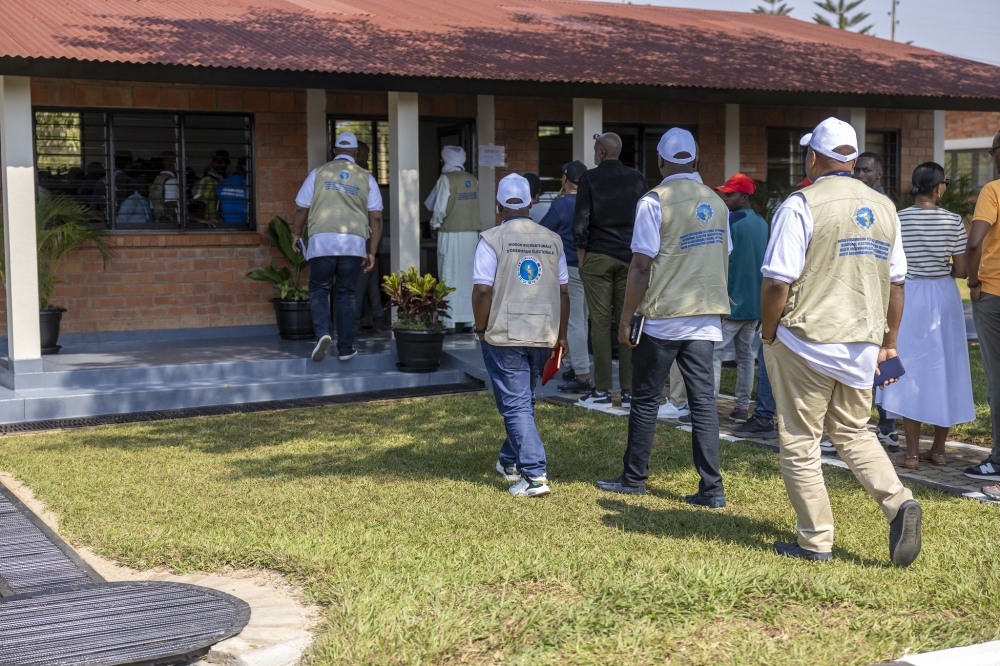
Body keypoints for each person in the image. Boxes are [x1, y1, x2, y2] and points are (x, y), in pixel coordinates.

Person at [760, 117, 921, 566]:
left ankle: (815, 541)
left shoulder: (801, 204)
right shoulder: (886, 208)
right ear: (851, 158)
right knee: (854, 432)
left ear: (813, 156)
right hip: (862, 345)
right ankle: (898, 502)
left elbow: (777, 282)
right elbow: (897, 284)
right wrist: (888, 343)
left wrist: (769, 332)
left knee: (799, 440)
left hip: (805, 342)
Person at [598, 128, 731, 507]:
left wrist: (626, 319)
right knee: (703, 403)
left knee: (644, 400)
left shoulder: (654, 201)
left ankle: (634, 478)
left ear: (659, 161)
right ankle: (712, 489)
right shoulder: (718, 203)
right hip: (705, 318)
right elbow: (724, 254)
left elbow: (640, 267)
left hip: (662, 319)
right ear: (696, 157)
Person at [472, 173, 570, 498]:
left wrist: (481, 328)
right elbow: (564, 292)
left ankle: (535, 475)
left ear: (498, 204)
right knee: (524, 402)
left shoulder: (491, 239)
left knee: (515, 406)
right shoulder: (553, 240)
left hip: (504, 333)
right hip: (543, 332)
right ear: (531, 202)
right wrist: (561, 335)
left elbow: (482, 291)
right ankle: (508, 460)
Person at [879, 163, 974, 469]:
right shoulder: (953, 221)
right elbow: (961, 270)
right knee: (945, 366)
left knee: (911, 369)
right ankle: (940, 450)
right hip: (943, 297)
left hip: (908, 294)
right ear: (938, 188)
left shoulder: (898, 218)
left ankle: (910, 454)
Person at [291, 131, 384, 363]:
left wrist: (296, 234)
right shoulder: (366, 177)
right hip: (352, 244)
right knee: (346, 294)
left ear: (334, 151)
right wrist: (371, 251)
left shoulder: (318, 173)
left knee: (319, 289)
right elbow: (377, 218)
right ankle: (345, 348)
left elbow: (301, 208)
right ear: (355, 153)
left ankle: (323, 333)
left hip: (322, 242)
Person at [574, 132, 649, 409]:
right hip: (630, 258)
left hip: (598, 255)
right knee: (627, 321)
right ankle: (629, 390)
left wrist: (582, 256)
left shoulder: (590, 178)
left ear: (602, 152)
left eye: (596, 149)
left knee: (600, 323)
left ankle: (602, 390)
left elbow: (581, 219)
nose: (595, 153)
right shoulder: (638, 178)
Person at [712, 173, 768, 423]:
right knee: (746, 356)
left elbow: (719, 260)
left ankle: (707, 406)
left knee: (713, 354)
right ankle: (742, 407)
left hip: (731, 303)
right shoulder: (762, 222)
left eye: (730, 194)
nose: (725, 198)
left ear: (744, 197)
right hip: (756, 304)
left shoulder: (730, 222)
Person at [964, 129, 1000, 485]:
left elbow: (974, 243)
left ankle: (999, 459)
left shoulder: (993, 191)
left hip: (994, 293)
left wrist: (973, 282)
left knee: (997, 379)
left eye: (992, 152)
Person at [539, 161, 592, 393]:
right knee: (582, 320)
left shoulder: (560, 205)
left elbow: (543, 232)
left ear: (564, 179)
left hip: (568, 268)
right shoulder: (591, 201)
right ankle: (574, 365)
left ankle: (581, 376)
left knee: (572, 322)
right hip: (590, 268)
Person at [427, 145, 479, 331]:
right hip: (472, 235)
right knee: (468, 276)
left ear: (445, 159)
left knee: (449, 274)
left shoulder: (445, 179)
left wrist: (433, 225)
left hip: (451, 234)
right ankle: (470, 319)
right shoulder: (473, 180)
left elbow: (439, 209)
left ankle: (449, 320)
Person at [353, 141, 389, 331]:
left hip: (362, 236)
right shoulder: (365, 178)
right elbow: (375, 215)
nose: (366, 160)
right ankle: (361, 319)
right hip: (363, 235)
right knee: (364, 278)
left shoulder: (361, 177)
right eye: (366, 156)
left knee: (369, 277)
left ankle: (374, 317)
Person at [190, 149, 230, 226]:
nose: (216, 162)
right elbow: (200, 204)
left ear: (228, 162)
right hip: (211, 223)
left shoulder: (227, 179)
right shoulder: (208, 180)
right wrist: (200, 220)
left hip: (225, 222)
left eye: (220, 160)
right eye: (214, 160)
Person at [217, 157, 250, 225]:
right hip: (245, 226)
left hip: (226, 226)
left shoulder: (222, 183)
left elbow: (219, 205)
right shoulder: (249, 184)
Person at [149, 152, 180, 223]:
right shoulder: (170, 180)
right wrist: (190, 218)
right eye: (174, 161)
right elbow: (170, 206)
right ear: (165, 162)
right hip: (170, 223)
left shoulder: (157, 179)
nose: (177, 164)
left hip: (159, 222)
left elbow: (152, 207)